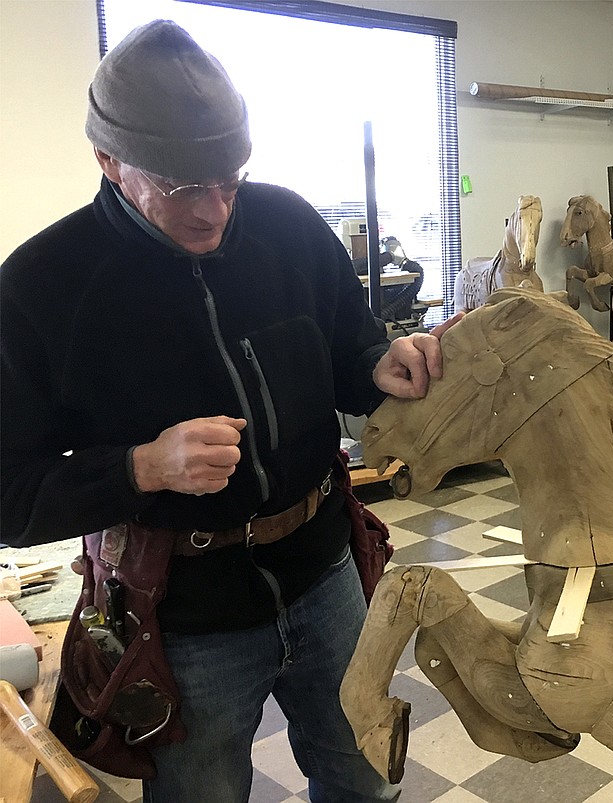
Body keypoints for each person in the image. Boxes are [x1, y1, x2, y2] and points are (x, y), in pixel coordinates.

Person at [0, 20, 458, 802]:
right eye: (182, 187)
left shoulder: (289, 224)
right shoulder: (42, 286)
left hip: (327, 574)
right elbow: (10, 497)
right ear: (109, 161)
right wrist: (142, 467)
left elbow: (352, 358)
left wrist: (382, 366)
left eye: (230, 179)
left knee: (363, 779)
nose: (214, 210)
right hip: (182, 617)